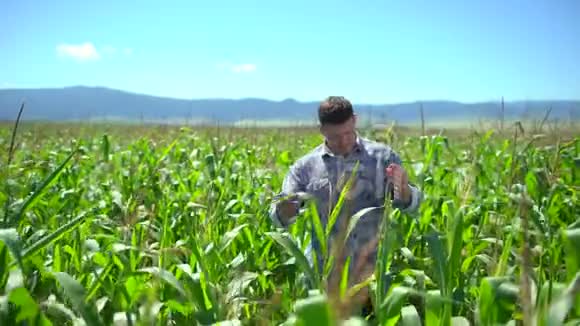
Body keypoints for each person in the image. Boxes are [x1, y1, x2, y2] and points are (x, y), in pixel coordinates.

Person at [269, 96, 422, 314]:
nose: (343, 142)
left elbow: (412, 205)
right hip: (324, 278)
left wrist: (405, 191)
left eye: (348, 133)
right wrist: (286, 208)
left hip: (372, 278)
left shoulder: (383, 157)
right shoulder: (305, 167)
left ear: (355, 120)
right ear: (322, 130)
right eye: (335, 136)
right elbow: (277, 217)